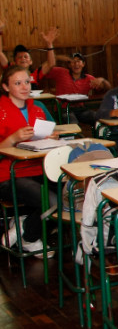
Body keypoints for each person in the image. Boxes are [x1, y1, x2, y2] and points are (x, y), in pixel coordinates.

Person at [0, 65, 58, 253]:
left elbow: (52, 131)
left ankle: (24, 225)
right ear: (6, 87)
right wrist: (13, 139)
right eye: (18, 83)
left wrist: (51, 137)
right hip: (9, 175)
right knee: (51, 202)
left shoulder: (38, 108)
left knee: (71, 196)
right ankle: (29, 237)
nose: (25, 87)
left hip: (39, 169)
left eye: (27, 82)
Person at [43, 52, 110, 124]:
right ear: (69, 65)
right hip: (63, 109)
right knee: (73, 122)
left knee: (99, 118)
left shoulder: (88, 78)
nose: (76, 64)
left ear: (83, 64)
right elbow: (43, 70)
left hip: (80, 109)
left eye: (78, 61)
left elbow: (107, 88)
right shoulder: (61, 72)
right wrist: (57, 57)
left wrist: (103, 80)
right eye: (73, 61)